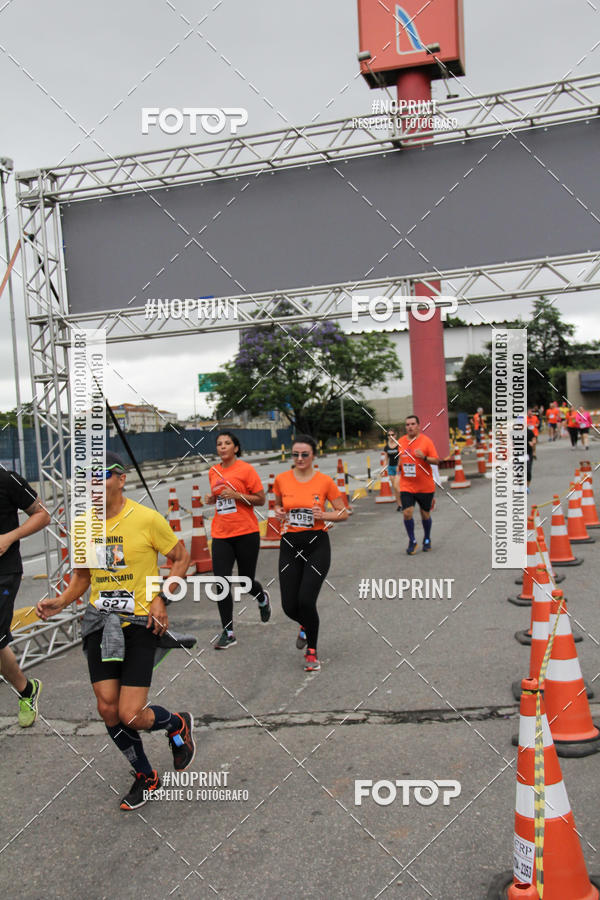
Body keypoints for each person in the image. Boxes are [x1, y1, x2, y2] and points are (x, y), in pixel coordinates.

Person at [37, 452, 195, 811]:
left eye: (102, 476)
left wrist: (160, 597)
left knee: (131, 715)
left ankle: (176, 723)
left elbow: (181, 558)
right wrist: (60, 602)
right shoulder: (83, 526)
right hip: (100, 623)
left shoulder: (146, 519)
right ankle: (145, 776)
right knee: (108, 709)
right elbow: (82, 578)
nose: (95, 484)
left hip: (140, 622)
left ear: (121, 480)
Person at [273, 435, 349, 672]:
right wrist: (279, 513)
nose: (299, 458)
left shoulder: (324, 481)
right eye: (295, 454)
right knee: (288, 606)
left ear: (314, 456)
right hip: (290, 545)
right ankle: (305, 626)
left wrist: (323, 515)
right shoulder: (281, 480)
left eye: (304, 454)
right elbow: (277, 504)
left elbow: (343, 512)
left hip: (317, 545)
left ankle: (312, 651)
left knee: (306, 600)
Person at [204, 432, 269, 649]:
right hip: (221, 534)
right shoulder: (213, 471)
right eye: (219, 444)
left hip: (246, 533)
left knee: (245, 581)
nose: (222, 447)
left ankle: (262, 597)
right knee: (221, 583)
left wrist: (237, 496)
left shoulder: (246, 470)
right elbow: (218, 496)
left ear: (236, 448)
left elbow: (260, 499)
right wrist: (212, 498)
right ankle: (228, 632)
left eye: (227, 443)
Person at [0, 469, 50, 726]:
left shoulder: (8, 479)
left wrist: (9, 537)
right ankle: (26, 690)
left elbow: (42, 515)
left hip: (4, 572)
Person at [397, 415, 440, 554]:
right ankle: (412, 541)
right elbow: (400, 460)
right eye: (407, 424)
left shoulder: (426, 441)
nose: (410, 426)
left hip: (425, 486)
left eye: (412, 424)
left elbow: (436, 461)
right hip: (407, 485)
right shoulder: (401, 442)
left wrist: (424, 457)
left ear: (418, 426)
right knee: (407, 512)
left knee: (425, 514)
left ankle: (427, 538)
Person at [383, 429, 401, 511]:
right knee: (394, 487)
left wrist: (398, 465)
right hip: (391, 468)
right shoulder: (386, 447)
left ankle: (405, 502)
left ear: (395, 435)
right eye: (389, 435)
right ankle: (399, 505)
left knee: (398, 487)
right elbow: (386, 459)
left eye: (392, 435)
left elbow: (401, 457)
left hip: (398, 468)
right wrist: (383, 468)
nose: (391, 437)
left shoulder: (399, 445)